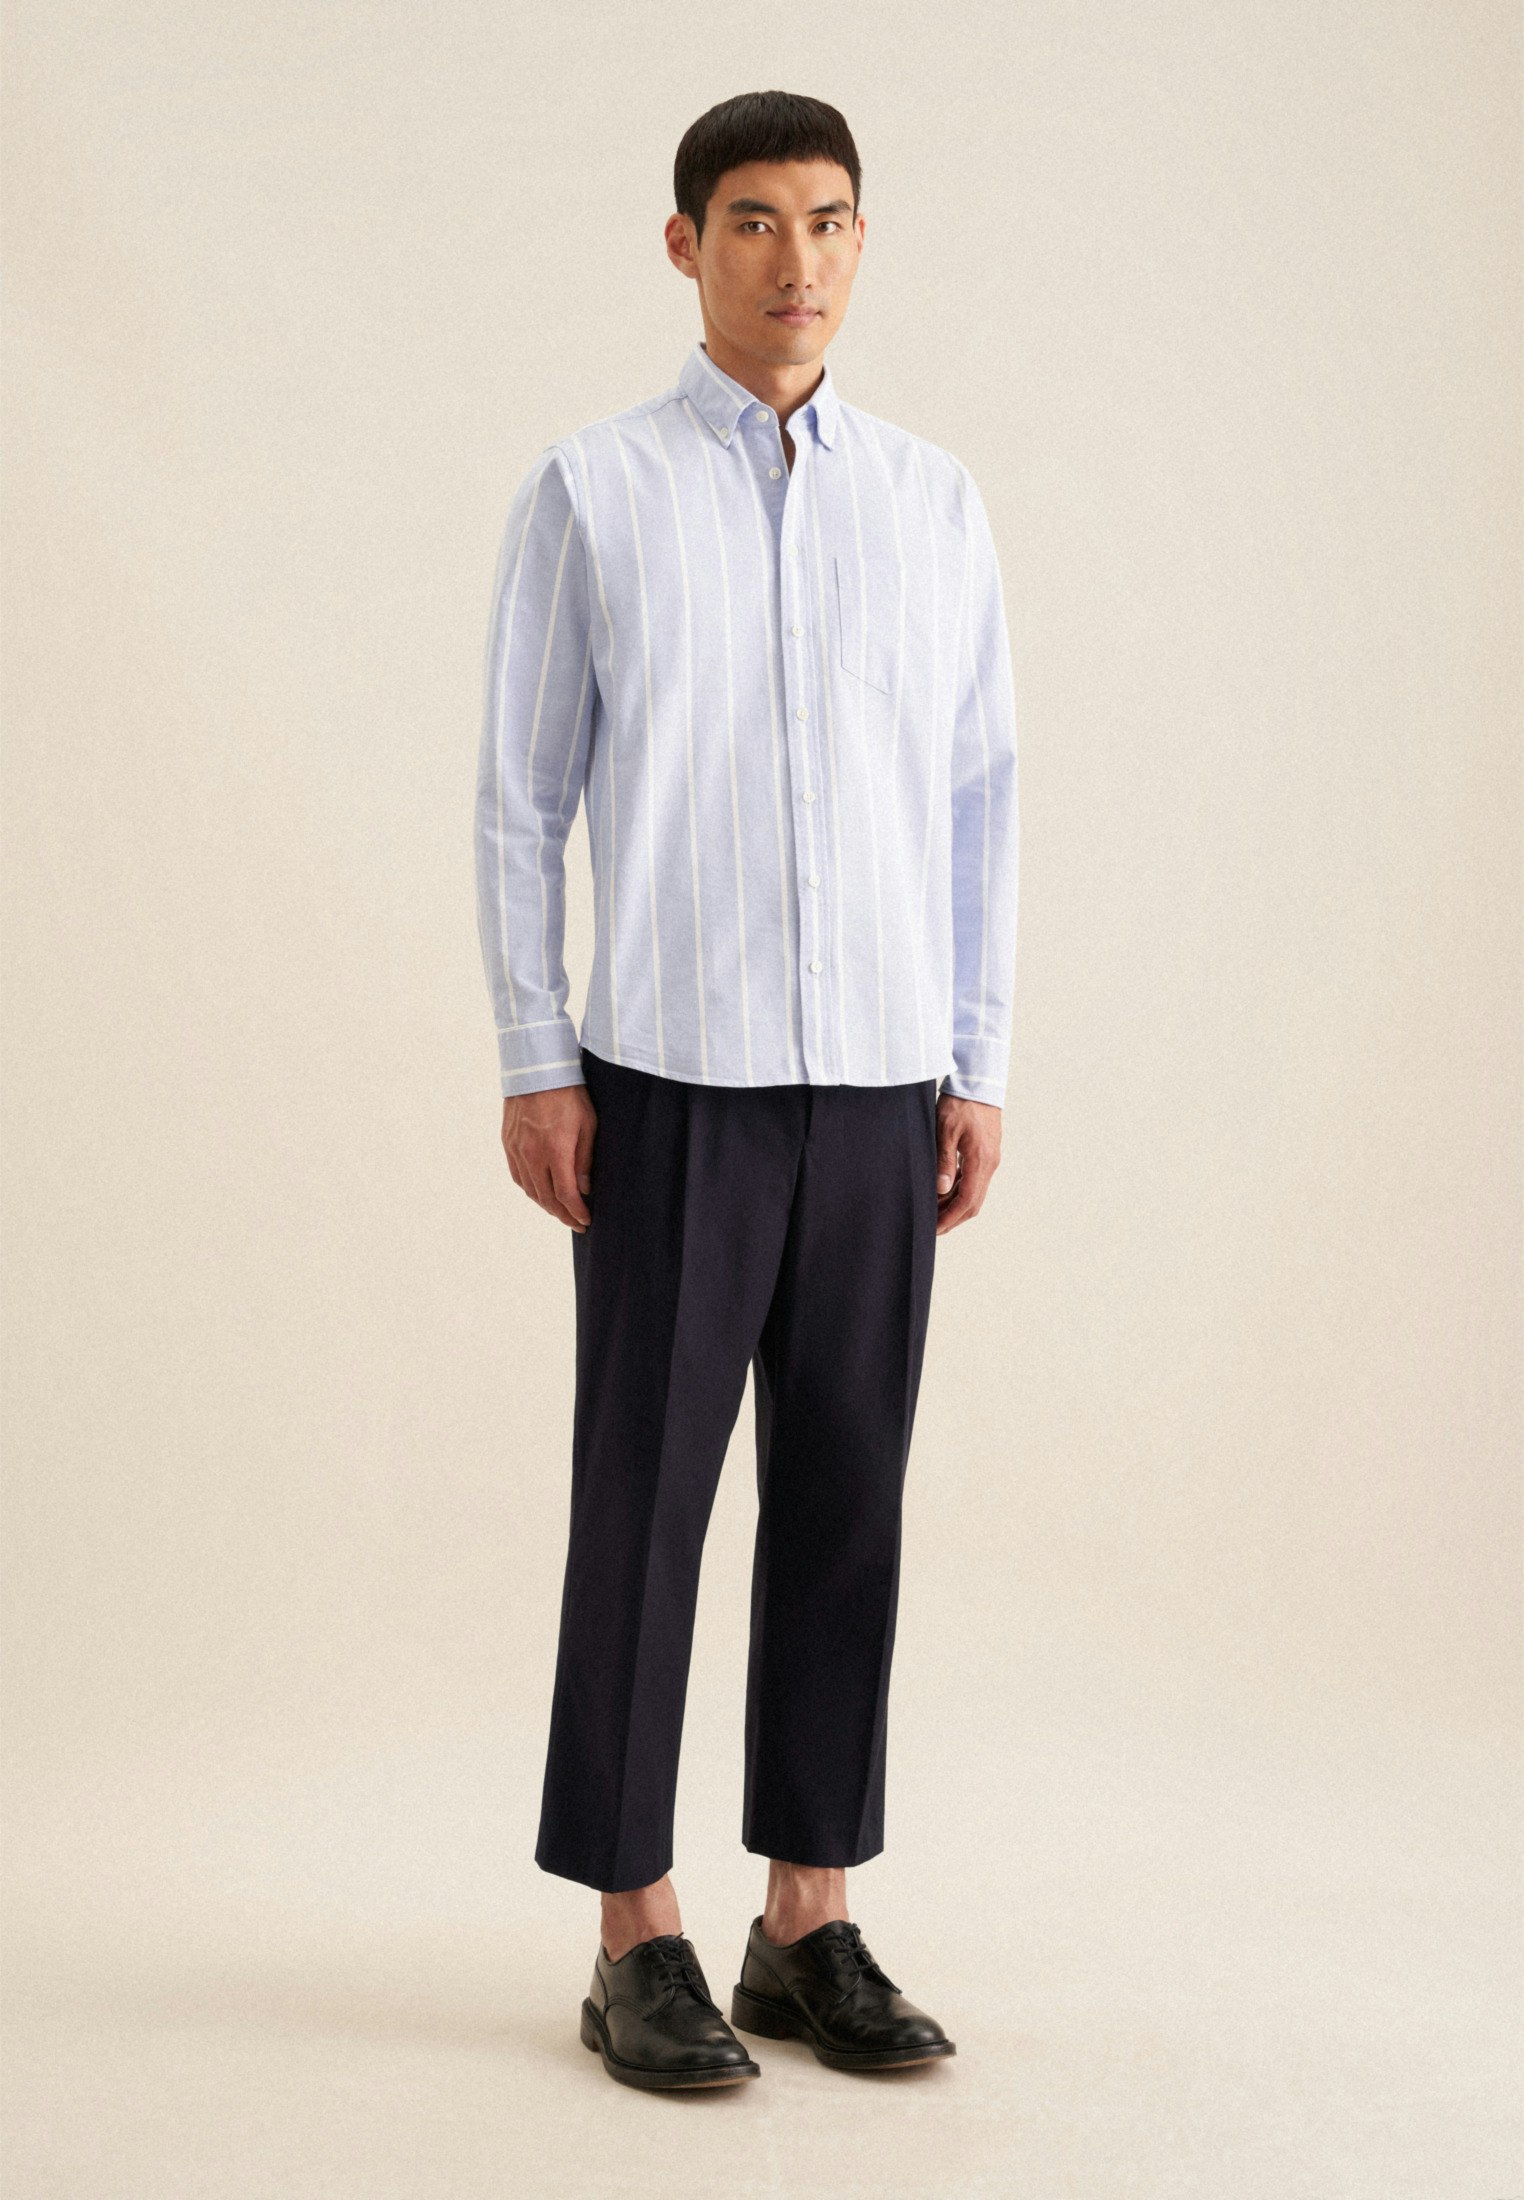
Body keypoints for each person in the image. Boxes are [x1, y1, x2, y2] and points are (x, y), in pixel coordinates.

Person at [474, 88, 1019, 2090]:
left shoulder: (932, 503)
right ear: (685, 243)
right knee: (646, 1499)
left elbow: (978, 796)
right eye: (757, 220)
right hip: (671, 1082)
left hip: (880, 1081)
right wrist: (536, 1052)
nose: (799, 258)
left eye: (831, 220)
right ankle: (636, 1928)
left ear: (863, 242)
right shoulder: (593, 491)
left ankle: (808, 1913)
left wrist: (976, 1056)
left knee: (850, 1493)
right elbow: (521, 794)